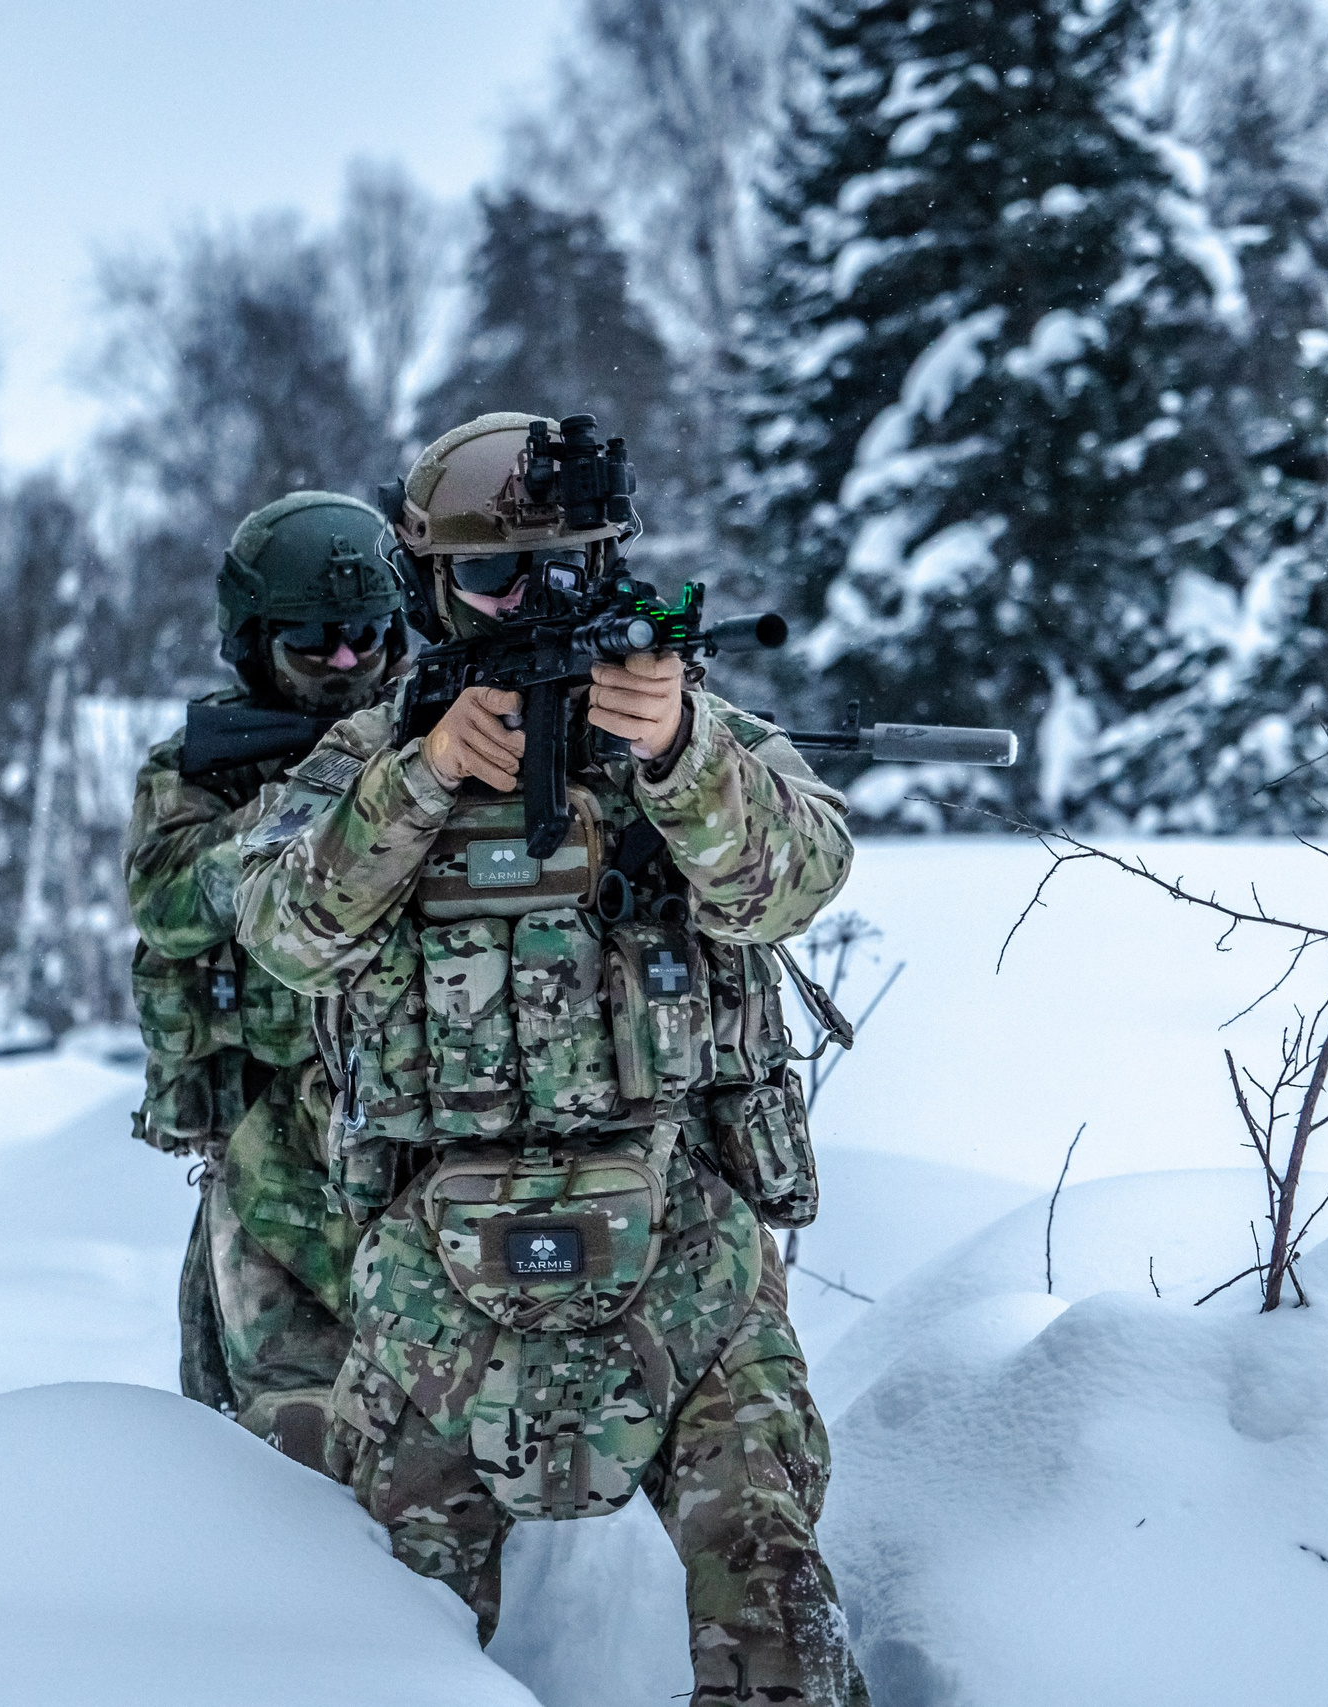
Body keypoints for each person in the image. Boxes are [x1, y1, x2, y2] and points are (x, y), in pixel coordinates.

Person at [234, 413, 870, 1705]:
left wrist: (683, 755)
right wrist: (421, 779)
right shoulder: (373, 754)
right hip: (435, 1289)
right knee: (367, 1644)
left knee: (774, 1617)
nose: (537, 602)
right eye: (493, 577)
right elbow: (280, 926)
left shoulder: (686, 725)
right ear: (431, 585)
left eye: (568, 565)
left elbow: (802, 876)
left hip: (681, 1252)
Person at [123, 489, 405, 1469]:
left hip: (406, 1123)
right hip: (262, 1129)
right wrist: (315, 801)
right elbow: (166, 902)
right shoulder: (203, 768)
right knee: (240, 1427)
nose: (344, 661)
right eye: (312, 642)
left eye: (368, 636)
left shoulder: (437, 730)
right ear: (249, 643)